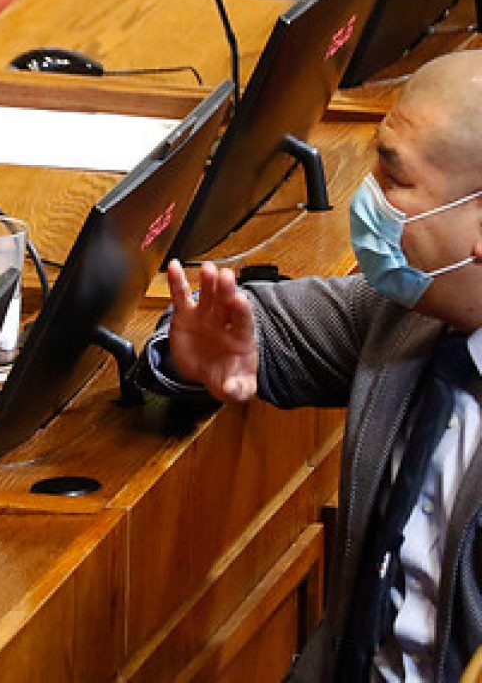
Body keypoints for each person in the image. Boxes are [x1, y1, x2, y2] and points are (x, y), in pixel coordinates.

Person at [134, 49, 482, 682]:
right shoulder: (411, 310)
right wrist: (196, 357)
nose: (367, 200)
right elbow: (253, 323)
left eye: (394, 182)